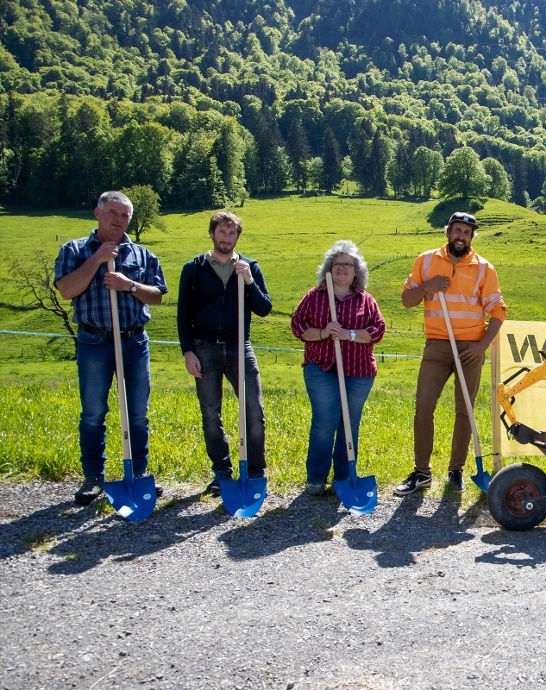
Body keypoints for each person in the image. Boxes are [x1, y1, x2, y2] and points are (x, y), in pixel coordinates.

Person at [54, 191, 168, 505]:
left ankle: (138, 473)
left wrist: (128, 285)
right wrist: (98, 259)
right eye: (113, 213)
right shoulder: (74, 250)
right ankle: (93, 478)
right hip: (94, 342)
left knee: (137, 414)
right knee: (93, 412)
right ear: (97, 213)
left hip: (134, 341)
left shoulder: (142, 255)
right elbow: (66, 290)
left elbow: (157, 295)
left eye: (124, 216)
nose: (118, 220)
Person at [395, 212, 507, 495]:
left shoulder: (484, 268)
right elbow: (407, 300)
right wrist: (427, 287)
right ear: (448, 232)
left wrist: (482, 346)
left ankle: (455, 470)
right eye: (457, 230)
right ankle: (421, 472)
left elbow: (498, 311)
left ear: (472, 237)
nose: (461, 236)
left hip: (471, 347)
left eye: (466, 233)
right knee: (423, 406)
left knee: (465, 410)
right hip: (437, 343)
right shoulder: (427, 260)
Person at [176, 211, 272, 497]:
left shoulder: (249, 267)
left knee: (253, 410)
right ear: (212, 234)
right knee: (210, 412)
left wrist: (249, 282)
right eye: (222, 232)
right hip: (204, 347)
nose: (226, 238)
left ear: (237, 237)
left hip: (240, 346)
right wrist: (188, 351)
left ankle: (254, 470)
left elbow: (264, 308)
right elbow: (183, 315)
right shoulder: (194, 269)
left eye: (232, 233)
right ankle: (222, 471)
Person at [291, 241, 387, 496]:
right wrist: (323, 332)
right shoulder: (315, 296)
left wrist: (349, 334)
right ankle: (316, 478)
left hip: (358, 371)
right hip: (321, 368)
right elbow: (298, 327)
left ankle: (344, 477)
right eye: (337, 264)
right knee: (324, 422)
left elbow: (377, 331)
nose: (342, 268)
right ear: (328, 269)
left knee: (349, 423)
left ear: (357, 271)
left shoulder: (366, 301)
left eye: (348, 264)